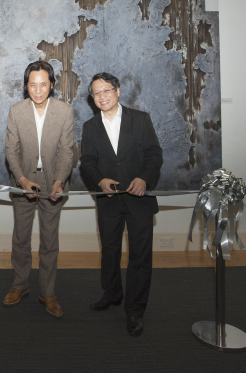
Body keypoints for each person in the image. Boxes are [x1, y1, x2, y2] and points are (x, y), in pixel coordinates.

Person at [79, 72, 163, 336]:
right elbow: (88, 163)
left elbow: (154, 155)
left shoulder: (141, 119)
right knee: (110, 252)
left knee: (139, 256)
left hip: (139, 199)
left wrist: (144, 179)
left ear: (117, 91)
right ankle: (112, 293)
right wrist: (99, 180)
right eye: (96, 93)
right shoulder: (89, 127)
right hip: (109, 201)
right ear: (92, 99)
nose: (102, 97)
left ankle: (135, 309)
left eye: (106, 91)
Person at [3, 61, 75, 318]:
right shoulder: (16, 111)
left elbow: (67, 151)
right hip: (23, 182)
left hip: (53, 182)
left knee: (49, 240)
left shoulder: (65, 112)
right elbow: (11, 151)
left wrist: (59, 180)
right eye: (32, 84)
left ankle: (48, 292)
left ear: (51, 85)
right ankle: (20, 285)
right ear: (26, 86)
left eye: (43, 84)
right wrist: (21, 180)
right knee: (20, 238)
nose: (38, 89)